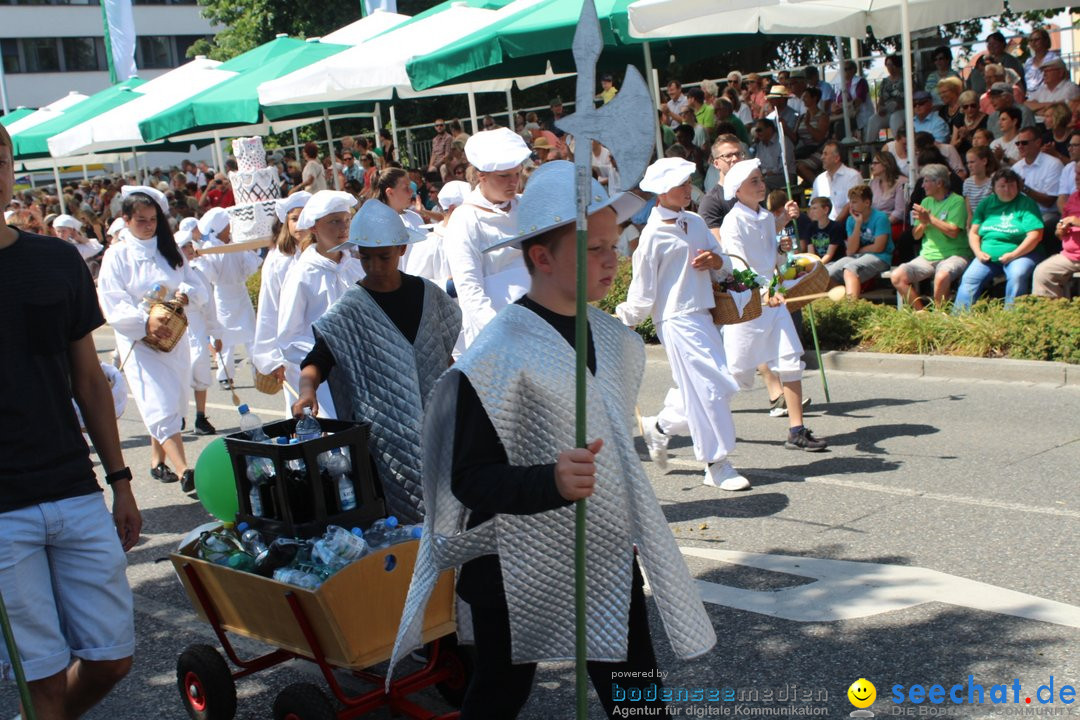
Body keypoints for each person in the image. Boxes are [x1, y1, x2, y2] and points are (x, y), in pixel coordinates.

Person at [390, 159, 714, 718]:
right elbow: (469, 479)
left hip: (602, 551)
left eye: (615, 244)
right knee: (500, 692)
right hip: (511, 563)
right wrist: (550, 481)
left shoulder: (610, 338)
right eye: (593, 249)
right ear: (541, 256)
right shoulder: (496, 356)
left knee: (636, 694)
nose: (613, 259)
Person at [0, 125, 141, 719]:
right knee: (44, 683)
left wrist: (122, 480)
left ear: (11, 166)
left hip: (74, 486)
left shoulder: (56, 261)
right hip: (2, 511)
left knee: (113, 659)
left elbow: (89, 380)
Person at [293, 199, 460, 523]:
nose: (375, 266)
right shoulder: (351, 308)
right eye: (366, 257)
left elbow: (444, 355)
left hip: (440, 427)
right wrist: (306, 390)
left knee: (452, 517)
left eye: (384, 256)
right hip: (385, 442)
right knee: (403, 526)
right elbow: (319, 358)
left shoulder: (428, 293)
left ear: (401, 249)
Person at [616, 157, 747, 489]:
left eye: (688, 181)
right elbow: (642, 288)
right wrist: (628, 317)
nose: (688, 187)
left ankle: (659, 428)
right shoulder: (651, 237)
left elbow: (726, 265)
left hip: (704, 314)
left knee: (704, 387)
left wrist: (717, 261)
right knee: (713, 387)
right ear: (661, 192)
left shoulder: (695, 221)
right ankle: (716, 464)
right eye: (680, 183)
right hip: (674, 320)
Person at [98, 185, 206, 491]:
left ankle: (157, 461)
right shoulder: (117, 256)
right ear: (126, 220)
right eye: (141, 220)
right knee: (156, 401)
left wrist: (185, 295)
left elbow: (195, 284)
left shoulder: (167, 250)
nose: (148, 226)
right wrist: (145, 321)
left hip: (173, 338)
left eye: (152, 220)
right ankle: (185, 469)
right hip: (140, 341)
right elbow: (112, 301)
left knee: (173, 399)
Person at [719, 159, 827, 452]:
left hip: (774, 302)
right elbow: (736, 265)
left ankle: (797, 430)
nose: (761, 184)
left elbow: (773, 260)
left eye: (760, 178)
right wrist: (764, 290)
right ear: (738, 189)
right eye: (753, 181)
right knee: (733, 376)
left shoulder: (766, 217)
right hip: (748, 305)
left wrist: (781, 251)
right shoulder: (733, 222)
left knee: (791, 360)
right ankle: (674, 420)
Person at [277, 191, 364, 420]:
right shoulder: (302, 274)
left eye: (346, 220)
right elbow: (289, 337)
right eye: (334, 221)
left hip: (362, 371)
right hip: (322, 380)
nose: (343, 228)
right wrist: (327, 356)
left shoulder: (355, 266)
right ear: (314, 227)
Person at [443, 127, 532, 349]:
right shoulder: (464, 219)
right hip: (497, 339)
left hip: (538, 327)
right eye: (504, 176)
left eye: (517, 174)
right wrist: (502, 336)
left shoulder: (529, 206)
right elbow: (469, 290)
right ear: (481, 176)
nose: (514, 182)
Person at [252, 192, 310, 413]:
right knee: (300, 411)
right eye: (294, 219)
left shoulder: (324, 255)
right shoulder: (278, 260)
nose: (300, 225)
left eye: (305, 217)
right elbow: (269, 309)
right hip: (292, 348)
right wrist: (272, 357)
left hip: (324, 345)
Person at [954, 168, 1044, 310]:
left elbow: (1035, 235)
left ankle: (1011, 318)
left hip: (1021, 253)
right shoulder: (986, 204)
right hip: (987, 256)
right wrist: (978, 252)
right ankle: (958, 318)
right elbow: (974, 233)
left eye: (1012, 185)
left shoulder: (1027, 204)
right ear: (994, 188)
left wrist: (1013, 255)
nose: (1007, 189)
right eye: (1002, 186)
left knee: (1017, 276)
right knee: (969, 279)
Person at [197, 206, 261, 388]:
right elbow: (209, 274)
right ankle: (224, 374)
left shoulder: (236, 243)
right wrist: (201, 260)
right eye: (227, 225)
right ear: (219, 228)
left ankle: (260, 372)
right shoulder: (209, 248)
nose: (229, 228)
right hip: (223, 297)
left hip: (240, 293)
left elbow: (248, 268)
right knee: (224, 337)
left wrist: (252, 250)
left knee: (252, 335)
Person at [891, 164, 971, 309]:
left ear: (939, 183)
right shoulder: (926, 202)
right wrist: (922, 223)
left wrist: (930, 219)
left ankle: (940, 317)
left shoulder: (957, 201)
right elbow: (916, 236)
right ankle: (922, 314)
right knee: (897, 276)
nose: (922, 185)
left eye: (926, 181)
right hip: (928, 256)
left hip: (955, 255)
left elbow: (953, 232)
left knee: (941, 277)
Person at [176, 229, 223, 434]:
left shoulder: (198, 274)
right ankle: (178, 416)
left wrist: (216, 333)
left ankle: (200, 417)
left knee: (201, 370)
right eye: (181, 248)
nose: (187, 250)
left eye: (188, 246)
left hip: (196, 328)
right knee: (178, 374)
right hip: (174, 329)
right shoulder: (167, 274)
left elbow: (209, 305)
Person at [828, 184, 894, 299]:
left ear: (867, 203)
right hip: (858, 255)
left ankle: (852, 307)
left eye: (854, 202)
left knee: (850, 268)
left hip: (881, 257)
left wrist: (859, 249)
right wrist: (858, 224)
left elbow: (879, 247)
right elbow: (850, 251)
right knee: (828, 273)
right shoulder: (851, 220)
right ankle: (842, 303)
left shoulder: (881, 218)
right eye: (850, 202)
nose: (850, 205)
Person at [407, 180, 470, 289]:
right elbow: (413, 285)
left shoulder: (474, 237)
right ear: (453, 209)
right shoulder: (428, 244)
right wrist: (448, 285)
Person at [1034, 162, 1080, 298]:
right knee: (1042, 272)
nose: (1077, 178)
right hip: (1071, 256)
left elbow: (1074, 221)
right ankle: (1053, 315)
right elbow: (1061, 232)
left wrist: (1077, 221)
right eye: (1076, 173)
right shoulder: (1073, 197)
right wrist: (1060, 231)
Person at [1011, 125, 1063, 225]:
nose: (1020, 146)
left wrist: (1024, 188)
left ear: (1038, 142)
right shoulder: (1016, 167)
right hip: (1021, 214)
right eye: (1017, 143)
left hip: (1046, 214)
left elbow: (1049, 202)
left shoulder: (1053, 164)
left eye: (1024, 143)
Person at [811, 141, 862, 223]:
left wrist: (834, 225)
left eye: (825, 154)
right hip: (822, 228)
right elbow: (812, 205)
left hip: (845, 226)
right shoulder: (819, 179)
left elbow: (850, 205)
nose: (822, 157)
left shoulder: (852, 176)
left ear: (836, 158)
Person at [796, 196, 846, 263]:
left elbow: (829, 255)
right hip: (818, 263)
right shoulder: (810, 228)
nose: (811, 211)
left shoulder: (835, 227)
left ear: (826, 210)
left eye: (814, 208)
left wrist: (818, 267)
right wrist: (813, 265)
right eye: (810, 209)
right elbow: (811, 254)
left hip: (835, 262)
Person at [869, 151, 908, 228]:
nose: (872, 166)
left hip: (894, 225)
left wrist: (880, 225)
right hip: (874, 224)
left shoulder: (901, 182)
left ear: (885, 164)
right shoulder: (873, 183)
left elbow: (899, 212)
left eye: (875, 163)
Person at [963, 145, 999, 226]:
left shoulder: (996, 179)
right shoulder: (967, 183)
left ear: (984, 161)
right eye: (967, 163)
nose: (969, 165)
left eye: (972, 162)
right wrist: (970, 231)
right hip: (977, 226)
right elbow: (970, 214)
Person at [985, 31, 1026, 96]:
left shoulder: (1010, 61)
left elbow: (1012, 82)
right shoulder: (990, 62)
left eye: (994, 43)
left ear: (1003, 44)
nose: (991, 46)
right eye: (989, 44)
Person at [951, 90, 988, 157]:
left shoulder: (986, 119)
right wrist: (961, 139)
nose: (969, 109)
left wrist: (968, 137)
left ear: (978, 105)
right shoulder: (959, 119)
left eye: (973, 105)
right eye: (966, 107)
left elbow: (985, 145)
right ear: (962, 108)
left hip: (980, 155)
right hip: (961, 156)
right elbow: (952, 147)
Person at [1024, 28, 1059, 94]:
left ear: (1045, 40)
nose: (1033, 42)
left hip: (1049, 96)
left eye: (1037, 39)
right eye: (1031, 40)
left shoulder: (1054, 59)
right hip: (1030, 98)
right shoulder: (1028, 62)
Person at [1055, 130, 1080, 214]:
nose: (1069, 149)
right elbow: (1062, 199)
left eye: (1074, 145)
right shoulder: (1068, 168)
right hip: (1070, 215)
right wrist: (1068, 218)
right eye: (1069, 145)